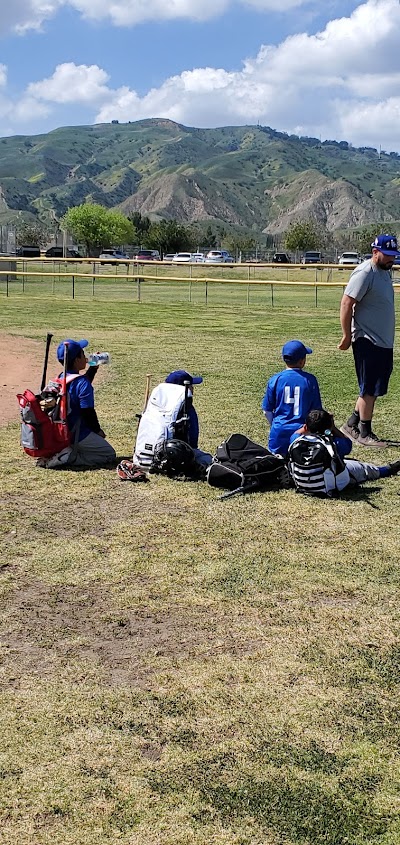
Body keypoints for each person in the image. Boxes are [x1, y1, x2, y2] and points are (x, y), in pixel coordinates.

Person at [339, 233, 400, 447]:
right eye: (388, 255)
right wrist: (347, 335)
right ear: (375, 252)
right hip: (367, 339)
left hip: (382, 341)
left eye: (394, 255)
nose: (392, 259)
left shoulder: (385, 271)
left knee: (374, 386)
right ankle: (364, 433)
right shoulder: (365, 272)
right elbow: (347, 303)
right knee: (369, 388)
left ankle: (351, 424)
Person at [289, 408, 400, 495]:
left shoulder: (296, 440)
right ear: (329, 426)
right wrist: (333, 427)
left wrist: (307, 427)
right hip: (329, 485)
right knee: (364, 468)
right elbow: (348, 444)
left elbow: (296, 433)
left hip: (302, 484)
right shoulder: (333, 444)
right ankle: (386, 470)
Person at [43, 338, 116, 469]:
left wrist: (93, 369)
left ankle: (65, 450)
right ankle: (70, 457)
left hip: (60, 431)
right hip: (77, 433)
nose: (85, 356)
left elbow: (79, 385)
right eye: (82, 354)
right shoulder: (82, 383)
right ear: (77, 360)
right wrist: (97, 430)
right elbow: (87, 411)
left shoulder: (61, 377)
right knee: (108, 454)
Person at [261, 340, 322, 457]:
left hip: (279, 432)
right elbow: (316, 412)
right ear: (302, 361)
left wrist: (275, 424)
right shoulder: (310, 380)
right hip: (303, 432)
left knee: (276, 466)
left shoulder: (275, 379)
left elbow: (267, 410)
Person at [164, 369, 212, 467]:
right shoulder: (186, 407)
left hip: (153, 453)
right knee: (209, 459)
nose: (192, 388)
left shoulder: (157, 404)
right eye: (191, 385)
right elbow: (192, 437)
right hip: (177, 453)